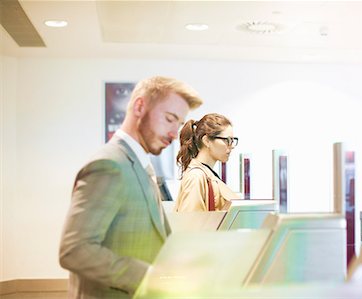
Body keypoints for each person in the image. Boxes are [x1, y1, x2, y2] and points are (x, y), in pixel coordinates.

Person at [59, 76, 203, 298]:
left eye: (179, 124)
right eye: (169, 118)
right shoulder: (109, 165)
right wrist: (148, 276)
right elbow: (75, 250)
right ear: (139, 107)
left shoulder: (137, 164)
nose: (175, 134)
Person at [174, 113, 240, 212]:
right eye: (227, 140)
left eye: (233, 140)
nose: (232, 145)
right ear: (206, 141)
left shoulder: (206, 174)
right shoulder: (196, 176)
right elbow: (189, 223)